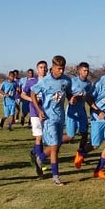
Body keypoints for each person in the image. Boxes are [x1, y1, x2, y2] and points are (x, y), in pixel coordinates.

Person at [28, 55, 73, 185]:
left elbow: (68, 93)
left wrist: (71, 98)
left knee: (57, 146)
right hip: (48, 118)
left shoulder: (66, 80)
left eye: (63, 69)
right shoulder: (45, 81)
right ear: (53, 67)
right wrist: (39, 110)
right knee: (54, 147)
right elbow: (32, 93)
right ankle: (56, 177)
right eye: (59, 68)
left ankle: (40, 158)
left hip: (60, 117)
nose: (61, 71)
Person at [20, 60, 48, 175]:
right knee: (39, 137)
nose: (43, 69)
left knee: (45, 138)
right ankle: (39, 163)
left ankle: (34, 153)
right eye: (41, 67)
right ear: (37, 70)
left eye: (45, 67)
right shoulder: (32, 82)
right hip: (35, 113)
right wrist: (32, 99)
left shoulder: (49, 81)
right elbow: (22, 94)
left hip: (47, 113)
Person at [66, 62, 94, 170]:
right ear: (79, 71)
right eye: (84, 70)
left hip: (81, 111)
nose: (86, 73)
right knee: (70, 136)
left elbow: (89, 98)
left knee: (84, 134)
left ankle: (80, 154)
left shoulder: (88, 84)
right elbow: (66, 93)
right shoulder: (72, 82)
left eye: (87, 71)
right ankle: (56, 143)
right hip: (72, 111)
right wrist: (71, 98)